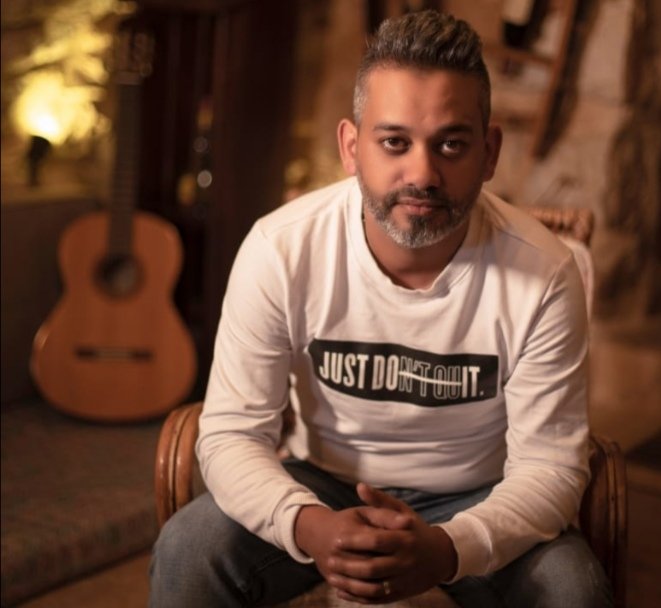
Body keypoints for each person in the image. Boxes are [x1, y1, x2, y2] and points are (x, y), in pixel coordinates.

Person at [150, 9, 612, 607]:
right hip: (324, 483)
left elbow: (550, 467)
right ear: (351, 147)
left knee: (573, 590)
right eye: (395, 142)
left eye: (452, 144)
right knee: (188, 550)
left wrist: (447, 547)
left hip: (481, 492)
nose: (422, 173)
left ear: (490, 152)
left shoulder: (545, 272)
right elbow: (231, 433)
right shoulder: (280, 249)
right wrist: (310, 527)